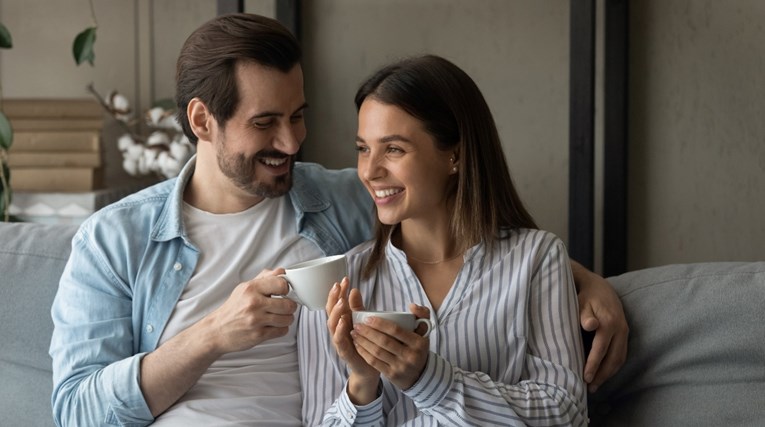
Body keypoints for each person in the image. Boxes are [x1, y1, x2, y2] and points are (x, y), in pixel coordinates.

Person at [49, 13, 624, 427]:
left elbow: (456, 229)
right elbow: (75, 412)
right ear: (203, 121)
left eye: (298, 116)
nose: (292, 141)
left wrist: (582, 279)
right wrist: (213, 335)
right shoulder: (113, 240)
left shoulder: (345, 201)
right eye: (266, 121)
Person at [299, 55, 588, 425]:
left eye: (393, 149)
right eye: (363, 148)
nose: (370, 171)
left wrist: (427, 379)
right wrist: (362, 382)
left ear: (455, 155)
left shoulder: (537, 259)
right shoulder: (339, 284)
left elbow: (565, 412)